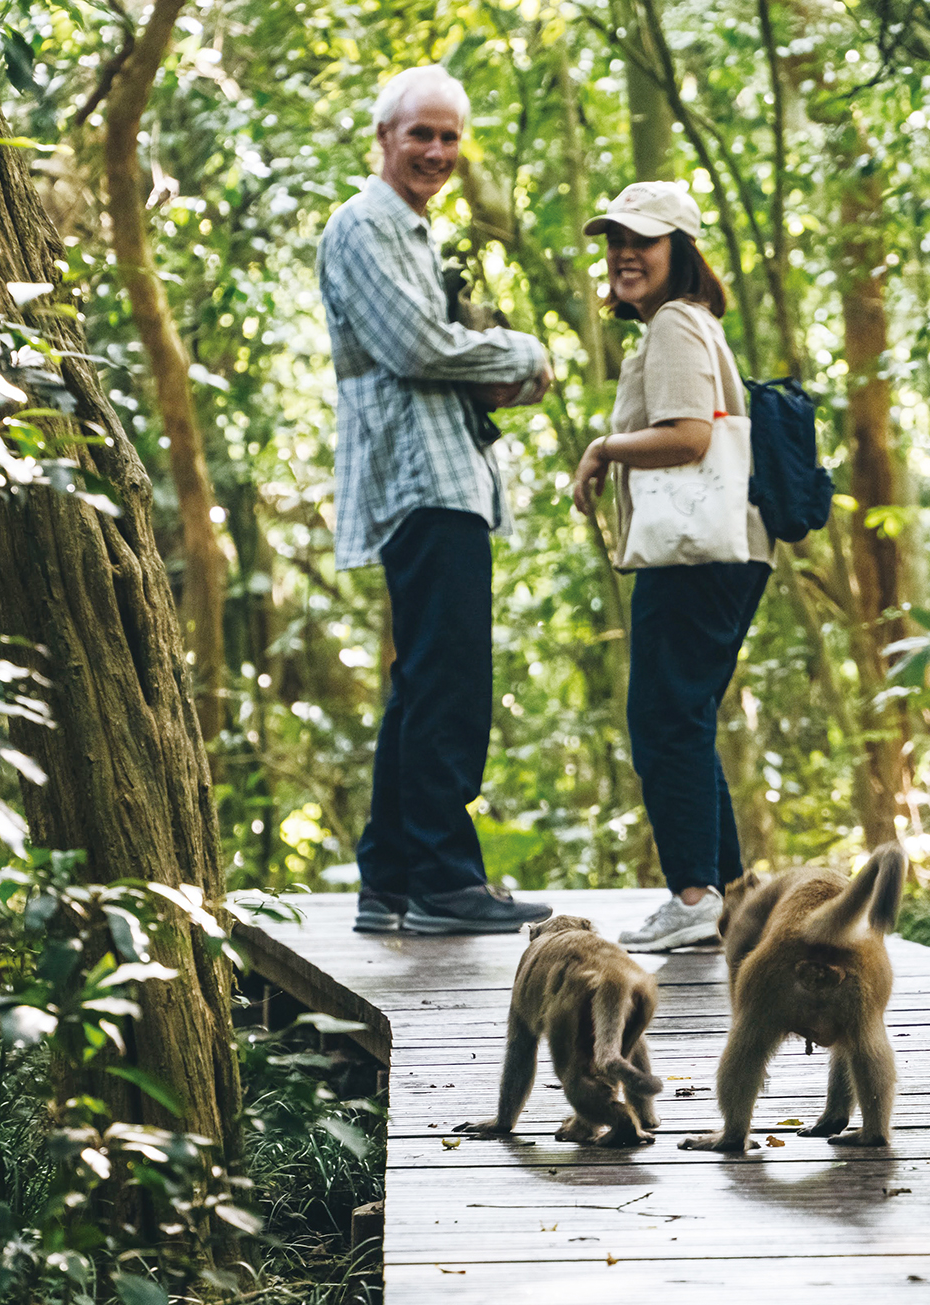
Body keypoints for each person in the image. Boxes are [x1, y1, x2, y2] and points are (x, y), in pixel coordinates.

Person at [319, 65, 555, 935]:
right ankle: (445, 880)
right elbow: (417, 348)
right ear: (384, 138)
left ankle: (390, 878)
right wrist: (521, 356)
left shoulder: (416, 235)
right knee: (448, 682)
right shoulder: (365, 226)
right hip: (419, 482)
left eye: (451, 136)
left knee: (424, 684)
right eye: (421, 133)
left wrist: (494, 369)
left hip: (449, 475)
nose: (437, 151)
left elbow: (442, 359)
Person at [569, 182, 772, 952]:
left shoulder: (677, 327)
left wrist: (602, 449)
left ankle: (692, 894)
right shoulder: (683, 325)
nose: (624, 253)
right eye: (616, 239)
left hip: (699, 552)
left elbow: (688, 436)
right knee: (681, 717)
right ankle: (722, 894)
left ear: (679, 253)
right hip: (717, 551)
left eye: (642, 241)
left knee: (661, 720)